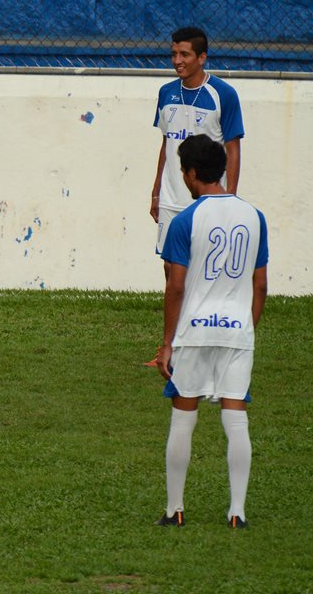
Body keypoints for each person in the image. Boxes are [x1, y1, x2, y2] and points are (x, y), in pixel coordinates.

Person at [155, 134, 267, 529]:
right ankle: (237, 511)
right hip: (237, 332)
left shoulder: (185, 221)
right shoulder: (255, 217)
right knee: (236, 419)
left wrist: (167, 343)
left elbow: (177, 286)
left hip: (194, 334)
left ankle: (175, 509)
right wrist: (244, 329)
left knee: (183, 418)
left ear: (190, 173)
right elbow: (260, 285)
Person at [146, 26, 245, 366]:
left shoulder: (223, 94)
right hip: (173, 199)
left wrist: (229, 196)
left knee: (204, 272)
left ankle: (203, 343)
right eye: (174, 54)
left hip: (206, 200)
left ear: (202, 57)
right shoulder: (166, 93)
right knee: (171, 271)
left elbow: (232, 148)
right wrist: (157, 190)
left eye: (185, 54)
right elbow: (166, 143)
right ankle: (170, 346)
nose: (177, 61)